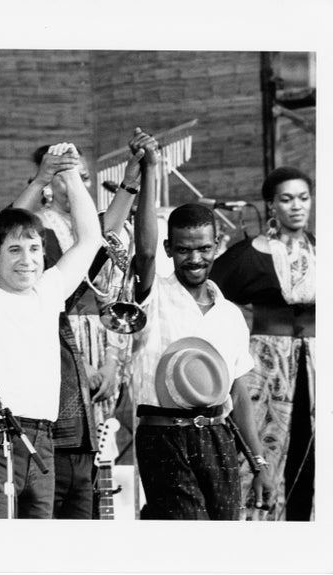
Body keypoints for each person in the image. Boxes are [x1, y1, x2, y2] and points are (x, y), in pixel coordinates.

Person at [0, 142, 102, 518]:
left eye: (34, 249)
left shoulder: (48, 291)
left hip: (43, 440)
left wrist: (69, 173)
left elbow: (91, 239)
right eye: (15, 250)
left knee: (37, 556)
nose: (27, 260)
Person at [129, 128, 273, 520]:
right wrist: (150, 170)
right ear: (169, 250)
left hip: (218, 435)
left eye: (204, 248)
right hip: (164, 435)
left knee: (225, 535)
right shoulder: (153, 293)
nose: (195, 258)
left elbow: (239, 394)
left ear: (217, 246)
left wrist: (258, 463)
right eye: (184, 250)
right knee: (185, 533)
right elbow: (142, 254)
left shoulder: (229, 315)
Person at [10, 139, 147, 518]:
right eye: (66, 176)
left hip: (98, 337)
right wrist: (78, 364)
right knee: (57, 452)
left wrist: (109, 360)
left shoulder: (84, 227)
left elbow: (110, 228)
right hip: (55, 340)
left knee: (95, 453)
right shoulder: (36, 231)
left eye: (83, 177)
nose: (76, 185)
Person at [210, 166, 315, 521]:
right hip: (268, 363)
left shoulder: (321, 251)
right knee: (264, 450)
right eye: (286, 199)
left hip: (318, 360)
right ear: (271, 205)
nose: (296, 206)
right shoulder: (249, 254)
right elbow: (210, 295)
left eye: (303, 198)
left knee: (312, 450)